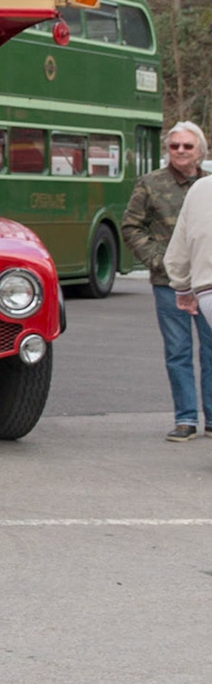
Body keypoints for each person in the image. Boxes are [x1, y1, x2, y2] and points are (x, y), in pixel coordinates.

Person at [123, 120, 212, 442]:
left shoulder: (209, 185)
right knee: (178, 351)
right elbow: (131, 227)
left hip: (206, 281)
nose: (180, 151)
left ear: (200, 151)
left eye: (187, 146)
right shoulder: (150, 184)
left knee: (211, 351)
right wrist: (159, 260)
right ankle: (185, 418)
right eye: (175, 146)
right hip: (167, 282)